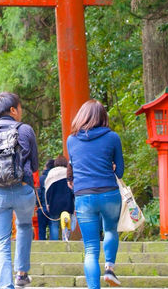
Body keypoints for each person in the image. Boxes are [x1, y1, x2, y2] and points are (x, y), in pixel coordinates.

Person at [0, 92, 38, 289]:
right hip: (23, 190)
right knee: (23, 226)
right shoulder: (26, 130)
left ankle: (6, 286)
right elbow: (35, 165)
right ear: (13, 110)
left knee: (1, 241)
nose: (20, 112)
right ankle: (21, 273)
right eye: (19, 108)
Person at [66, 99, 124, 288]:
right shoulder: (113, 137)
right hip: (109, 192)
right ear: (103, 117)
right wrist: (111, 166)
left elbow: (75, 166)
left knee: (90, 249)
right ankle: (109, 268)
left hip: (83, 196)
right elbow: (120, 172)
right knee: (110, 230)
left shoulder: (71, 140)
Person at [43, 155, 75, 240]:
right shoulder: (68, 172)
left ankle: (54, 243)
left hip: (54, 203)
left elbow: (47, 190)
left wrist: (48, 204)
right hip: (67, 202)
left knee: (54, 224)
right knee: (68, 222)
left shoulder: (51, 173)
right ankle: (67, 240)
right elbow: (72, 188)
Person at [37, 159, 55, 240]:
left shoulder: (41, 178)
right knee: (53, 228)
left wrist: (38, 204)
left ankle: (42, 246)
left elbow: (39, 192)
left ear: (46, 166)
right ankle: (55, 246)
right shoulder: (55, 177)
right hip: (53, 207)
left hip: (42, 207)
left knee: (41, 230)